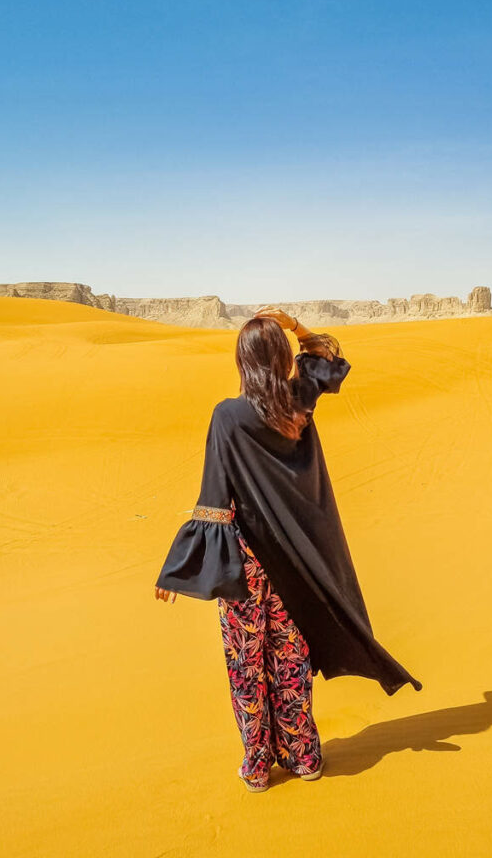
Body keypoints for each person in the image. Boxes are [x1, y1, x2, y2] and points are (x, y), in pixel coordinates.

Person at [154, 306, 422, 792]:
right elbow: (329, 357)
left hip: (246, 567)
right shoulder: (298, 401)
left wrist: (180, 568)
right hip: (294, 565)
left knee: (246, 664)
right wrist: (296, 326)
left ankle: (257, 766)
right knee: (289, 659)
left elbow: (214, 499)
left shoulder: (227, 415)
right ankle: (302, 756)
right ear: (280, 357)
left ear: (242, 360)